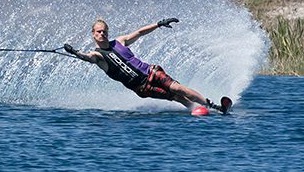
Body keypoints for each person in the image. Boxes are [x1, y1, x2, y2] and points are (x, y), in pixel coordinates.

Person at [63, 17, 230, 113]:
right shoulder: (98, 56)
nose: (102, 34)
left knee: (178, 88)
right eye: (99, 32)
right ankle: (197, 110)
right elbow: (87, 57)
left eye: (105, 31)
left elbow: (140, 32)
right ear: (93, 35)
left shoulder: (120, 41)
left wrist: (159, 24)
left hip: (151, 72)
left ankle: (212, 105)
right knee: (176, 97)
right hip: (142, 88)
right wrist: (75, 52)